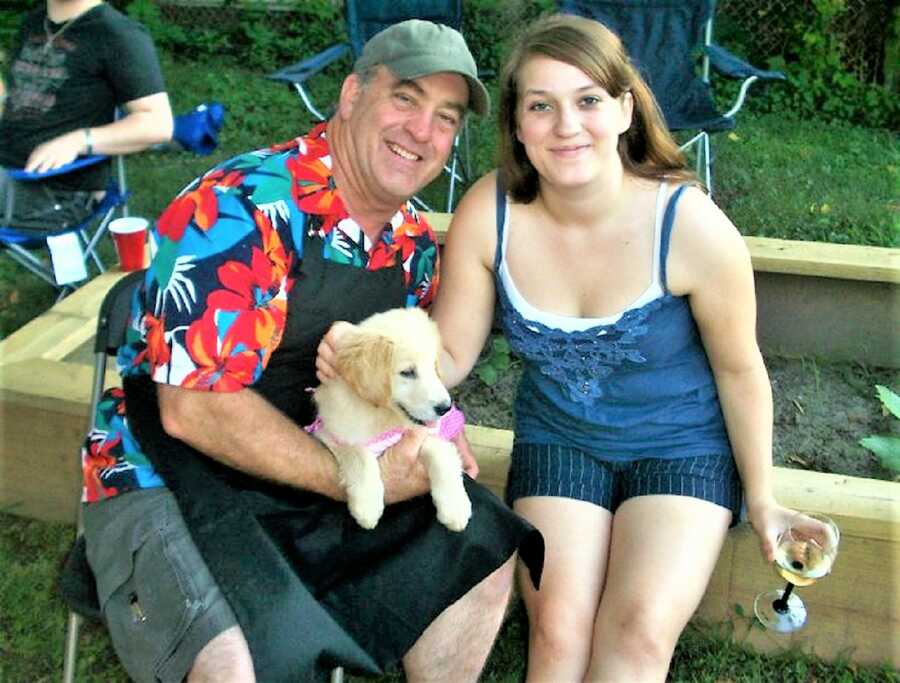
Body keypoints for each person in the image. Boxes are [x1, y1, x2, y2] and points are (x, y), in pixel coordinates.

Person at [325, 13, 797, 682]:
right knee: (558, 631)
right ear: (517, 125)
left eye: (588, 101)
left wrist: (765, 495)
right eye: (540, 106)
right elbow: (452, 355)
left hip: (680, 446)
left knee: (634, 635)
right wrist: (377, 358)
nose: (566, 125)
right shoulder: (490, 212)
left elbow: (740, 369)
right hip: (561, 442)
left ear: (625, 110)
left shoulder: (689, 226)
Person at [73, 19, 542, 683]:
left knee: (479, 553)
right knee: (235, 668)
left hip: (312, 470)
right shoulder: (240, 206)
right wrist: (353, 476)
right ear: (351, 95)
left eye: (446, 117)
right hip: (163, 474)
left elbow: (385, 380)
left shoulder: (409, 243)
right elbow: (191, 411)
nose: (421, 131)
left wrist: (434, 430)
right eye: (404, 99)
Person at [0, 0, 172, 232]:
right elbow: (20, 102)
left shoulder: (117, 33)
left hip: (56, 193)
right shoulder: (34, 22)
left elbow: (158, 123)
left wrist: (77, 141)